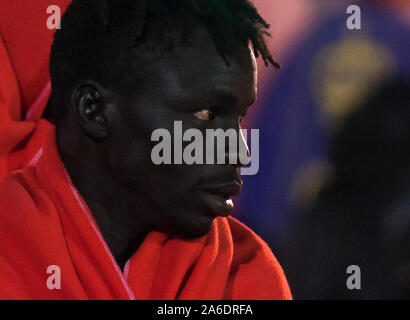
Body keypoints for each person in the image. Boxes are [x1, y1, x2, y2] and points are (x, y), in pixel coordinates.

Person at [0, 0, 291, 299]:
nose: (239, 153)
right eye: (206, 114)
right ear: (94, 109)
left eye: (239, 117)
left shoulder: (248, 274)